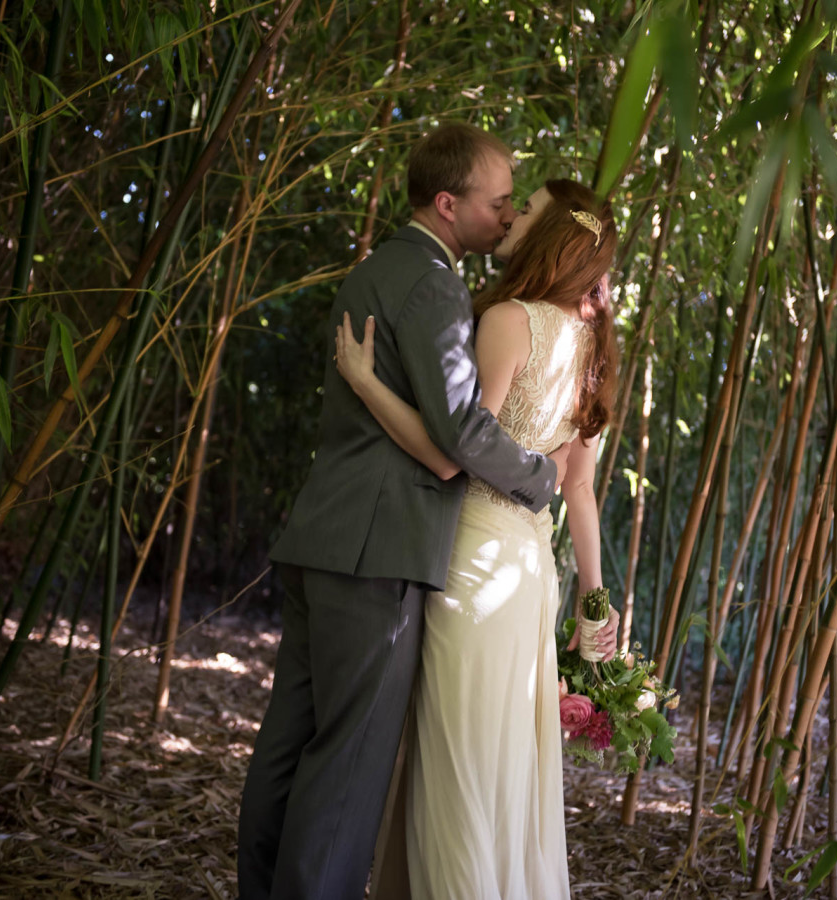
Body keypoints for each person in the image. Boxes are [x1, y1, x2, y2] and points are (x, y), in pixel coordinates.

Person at [237, 124, 580, 900]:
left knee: (287, 751)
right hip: (378, 555)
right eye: (498, 203)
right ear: (449, 203)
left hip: (324, 539)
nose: (504, 217)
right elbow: (459, 435)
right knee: (347, 768)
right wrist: (536, 477)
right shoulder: (434, 283)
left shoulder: (373, 270)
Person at [334, 178, 619, 900]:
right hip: (530, 572)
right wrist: (595, 600)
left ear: (552, 237)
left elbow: (450, 453)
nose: (513, 217)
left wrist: (368, 384)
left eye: (528, 213)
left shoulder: (510, 320)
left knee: (454, 761)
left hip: (473, 562)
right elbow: (579, 487)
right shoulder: (591, 344)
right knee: (500, 764)